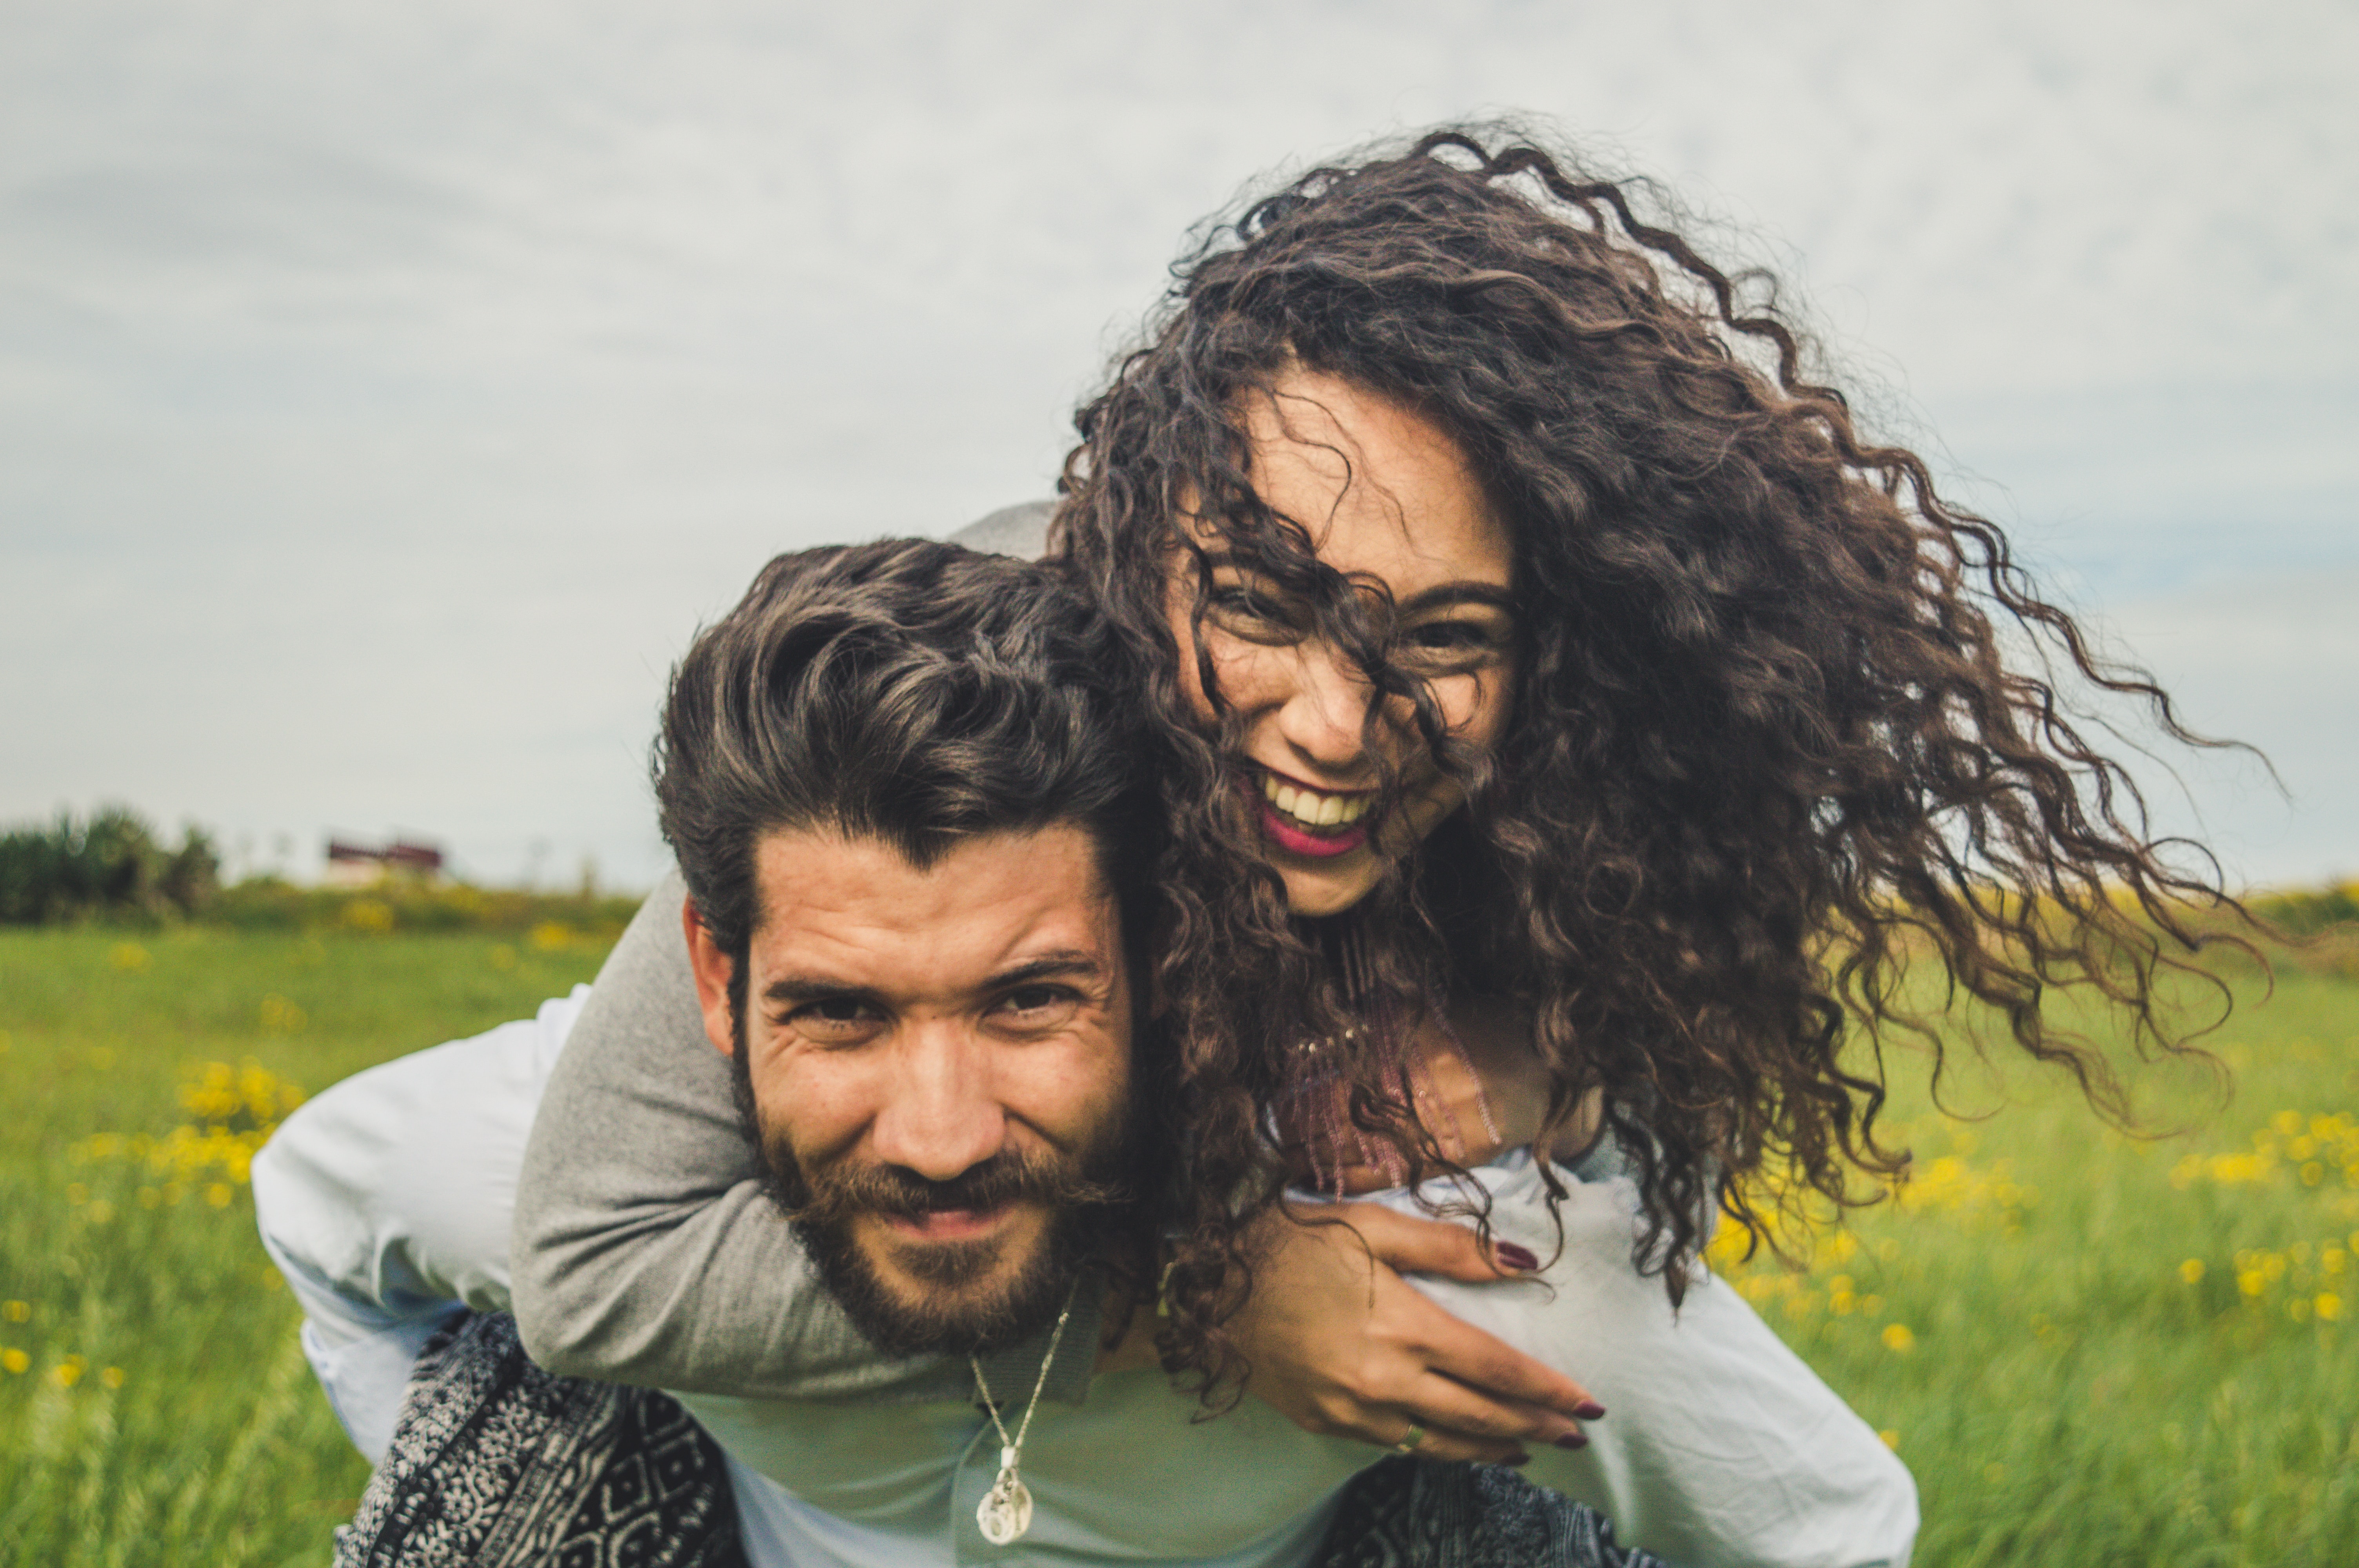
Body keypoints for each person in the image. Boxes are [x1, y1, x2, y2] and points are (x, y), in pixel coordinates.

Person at [509, 124, 2251, 1561]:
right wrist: (1203, 1286)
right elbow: (590, 1260)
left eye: (1442, 637)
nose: (1336, 728)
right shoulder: (969, 712)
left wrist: (1524, 1092)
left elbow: (1623, 1279)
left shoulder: (1564, 840)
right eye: (1265, 600)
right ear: (1136, 545)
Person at [259, 538, 1665, 1568]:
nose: (939, 1133)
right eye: (842, 1012)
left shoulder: (1447, 1247)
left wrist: (1572, 1078)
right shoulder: (528, 1152)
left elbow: (1816, 1513)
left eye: (1029, 1000)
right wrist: (1204, 1298)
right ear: (716, 979)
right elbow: (334, 1216)